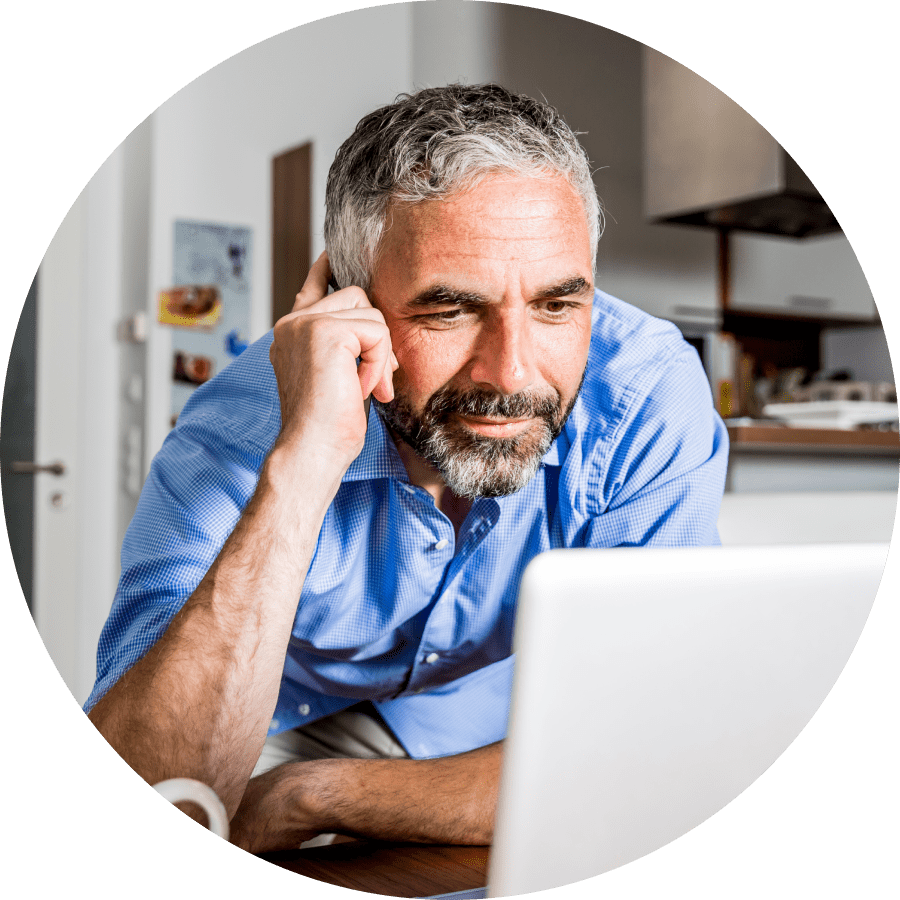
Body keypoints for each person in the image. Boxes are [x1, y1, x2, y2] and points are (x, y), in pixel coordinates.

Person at [85, 84, 728, 853]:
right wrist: (302, 468)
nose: (511, 373)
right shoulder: (238, 431)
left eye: (558, 305)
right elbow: (152, 797)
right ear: (349, 301)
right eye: (448, 310)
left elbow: (650, 752)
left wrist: (313, 797)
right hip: (274, 723)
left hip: (490, 727)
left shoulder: (647, 391)